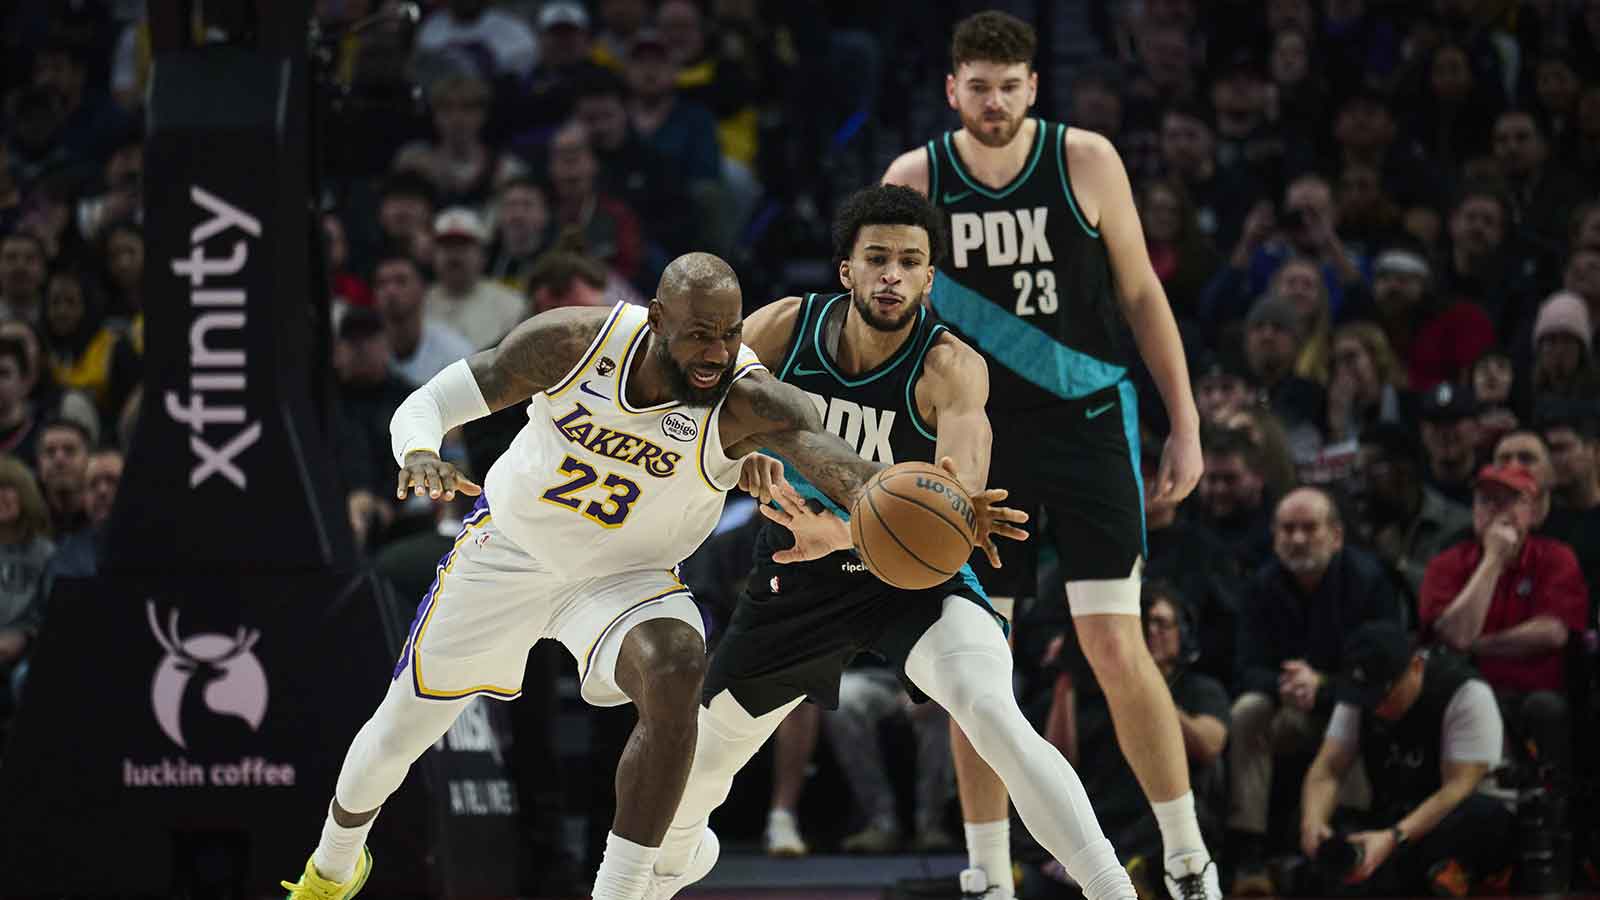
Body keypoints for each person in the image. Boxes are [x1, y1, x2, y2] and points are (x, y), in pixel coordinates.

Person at [279, 251, 1024, 900]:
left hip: (624, 579)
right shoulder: (573, 341)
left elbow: (845, 467)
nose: (717, 352)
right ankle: (333, 865)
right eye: (699, 333)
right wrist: (416, 452)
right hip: (508, 554)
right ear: (656, 317)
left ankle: (624, 890)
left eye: (730, 334)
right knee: (397, 736)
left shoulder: (747, 398)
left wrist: (944, 512)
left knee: (677, 662)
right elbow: (434, 399)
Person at [644, 185, 1133, 900]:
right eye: (876, 258)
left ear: (931, 276)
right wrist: (732, 453)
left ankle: (1113, 890)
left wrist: (849, 529)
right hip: (796, 575)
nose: (892, 275)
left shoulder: (951, 368)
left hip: (914, 579)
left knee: (991, 710)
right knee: (700, 764)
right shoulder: (783, 329)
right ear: (845, 269)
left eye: (910, 261)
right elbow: (691, 407)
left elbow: (954, 509)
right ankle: (663, 872)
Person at [882, 12, 1215, 899]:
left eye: (1009, 86)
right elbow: (886, 322)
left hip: (1088, 421)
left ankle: (1187, 858)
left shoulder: (1087, 160)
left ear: (1036, 87)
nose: (993, 102)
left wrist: (1184, 421)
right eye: (977, 86)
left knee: (1114, 641)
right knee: (978, 660)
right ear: (952, 90)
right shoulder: (916, 178)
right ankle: (988, 873)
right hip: (976, 433)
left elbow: (1142, 294)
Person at [1229, 487, 1399, 891]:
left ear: (1336, 535)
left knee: (1353, 711)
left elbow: (1386, 668)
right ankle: (1248, 849)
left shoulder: (1370, 581)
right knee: (1247, 710)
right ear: (1274, 535)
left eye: (1309, 528)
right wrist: (1284, 684)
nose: (1298, 538)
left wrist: (1322, 685)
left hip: (1351, 704)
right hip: (1288, 709)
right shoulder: (1259, 586)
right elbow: (1244, 669)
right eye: (1288, 529)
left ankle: (1347, 832)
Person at [1299, 622, 1512, 896]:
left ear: (1415, 668)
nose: (1376, 708)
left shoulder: (1465, 692)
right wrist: (1313, 822)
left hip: (1453, 812)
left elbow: (1458, 788)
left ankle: (1443, 873)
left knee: (1478, 817)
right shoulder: (1359, 697)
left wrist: (1394, 838)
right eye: (1368, 698)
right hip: (1396, 813)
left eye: (1384, 696)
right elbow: (1327, 768)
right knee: (1327, 842)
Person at [1418, 463, 1589, 780]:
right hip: (1467, 693)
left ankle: (1555, 810)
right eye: (1485, 501)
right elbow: (1455, 636)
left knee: (1546, 709)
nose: (1495, 510)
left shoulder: (1556, 558)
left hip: (1535, 697)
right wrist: (1492, 560)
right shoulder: (1447, 564)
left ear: (1532, 511)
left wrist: (1479, 645)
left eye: (1508, 500)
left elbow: (1552, 632)